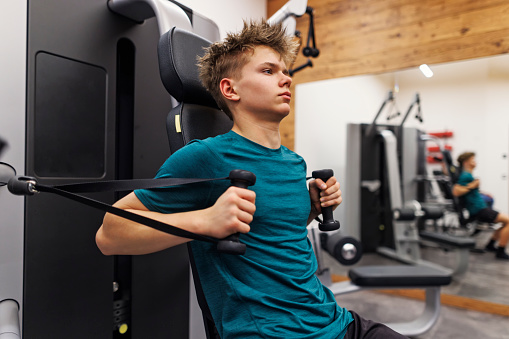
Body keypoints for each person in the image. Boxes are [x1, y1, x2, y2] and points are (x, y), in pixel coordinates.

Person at [96, 20, 407, 338]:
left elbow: (269, 237)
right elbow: (110, 235)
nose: (285, 79)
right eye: (269, 71)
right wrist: (205, 221)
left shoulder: (293, 162)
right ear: (230, 89)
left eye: (286, 71)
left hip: (334, 320)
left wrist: (310, 208)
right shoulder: (206, 157)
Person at [453, 152, 509, 260]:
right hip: (479, 210)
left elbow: (468, 192)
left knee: (505, 222)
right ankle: (500, 251)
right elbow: (456, 191)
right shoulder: (466, 175)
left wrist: (481, 192)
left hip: (480, 208)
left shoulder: (468, 175)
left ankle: (491, 245)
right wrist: (472, 185)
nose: (475, 162)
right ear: (466, 162)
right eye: (473, 160)